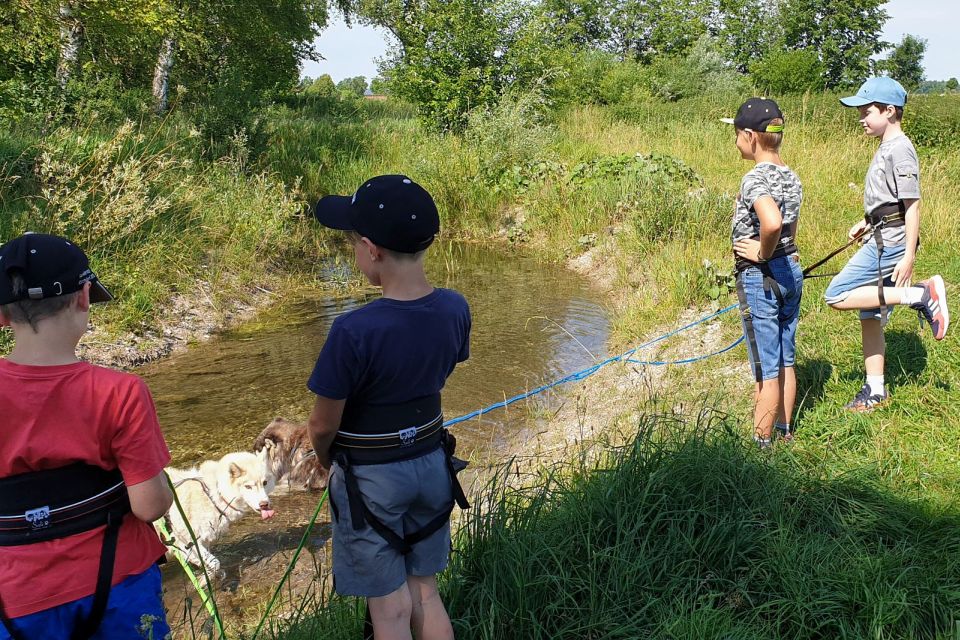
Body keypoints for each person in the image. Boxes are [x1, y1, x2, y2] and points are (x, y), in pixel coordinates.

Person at [306, 175, 471, 640]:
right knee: (425, 591)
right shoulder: (455, 308)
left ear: (370, 249)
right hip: (432, 465)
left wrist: (326, 462)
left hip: (371, 480)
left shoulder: (353, 330)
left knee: (390, 608)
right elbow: (439, 370)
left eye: (352, 244)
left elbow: (322, 425)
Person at [0, 233, 173, 640]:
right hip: (117, 585)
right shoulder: (121, 392)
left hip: (15, 598)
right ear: (84, 296)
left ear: (3, 317)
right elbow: (150, 506)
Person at [824, 76, 949, 412]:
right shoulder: (886, 148)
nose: (862, 118)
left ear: (889, 111)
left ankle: (921, 294)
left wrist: (908, 254)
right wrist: (866, 221)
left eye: (867, 111)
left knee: (835, 294)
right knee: (871, 315)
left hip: (891, 245)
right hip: (881, 236)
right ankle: (876, 390)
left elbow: (912, 204)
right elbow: (890, 200)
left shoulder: (901, 149)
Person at [723, 98, 804, 448]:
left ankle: (761, 446)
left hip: (762, 279)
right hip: (790, 272)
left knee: (765, 368)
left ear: (749, 135)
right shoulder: (791, 175)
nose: (735, 142)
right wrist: (780, 250)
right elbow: (791, 229)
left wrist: (761, 252)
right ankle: (785, 432)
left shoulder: (755, 178)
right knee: (787, 357)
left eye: (737, 134)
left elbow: (771, 222)